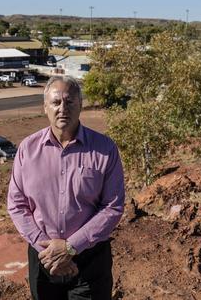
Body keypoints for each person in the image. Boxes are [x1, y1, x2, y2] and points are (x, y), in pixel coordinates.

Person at [7, 75, 125, 300]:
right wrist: (49, 251)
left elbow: (112, 207)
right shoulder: (27, 150)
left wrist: (71, 247)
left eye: (69, 102)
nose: (63, 108)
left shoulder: (105, 149)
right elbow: (17, 204)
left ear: (80, 105)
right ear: (45, 108)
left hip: (90, 261)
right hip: (43, 260)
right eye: (56, 102)